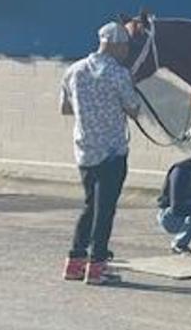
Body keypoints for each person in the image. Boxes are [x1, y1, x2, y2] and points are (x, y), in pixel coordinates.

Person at [60, 21, 141, 285]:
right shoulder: (118, 74)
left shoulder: (74, 71)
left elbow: (65, 108)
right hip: (113, 151)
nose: (127, 52)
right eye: (125, 47)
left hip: (84, 150)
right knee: (105, 210)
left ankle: (75, 261)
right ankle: (97, 265)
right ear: (115, 45)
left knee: (89, 206)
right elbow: (133, 109)